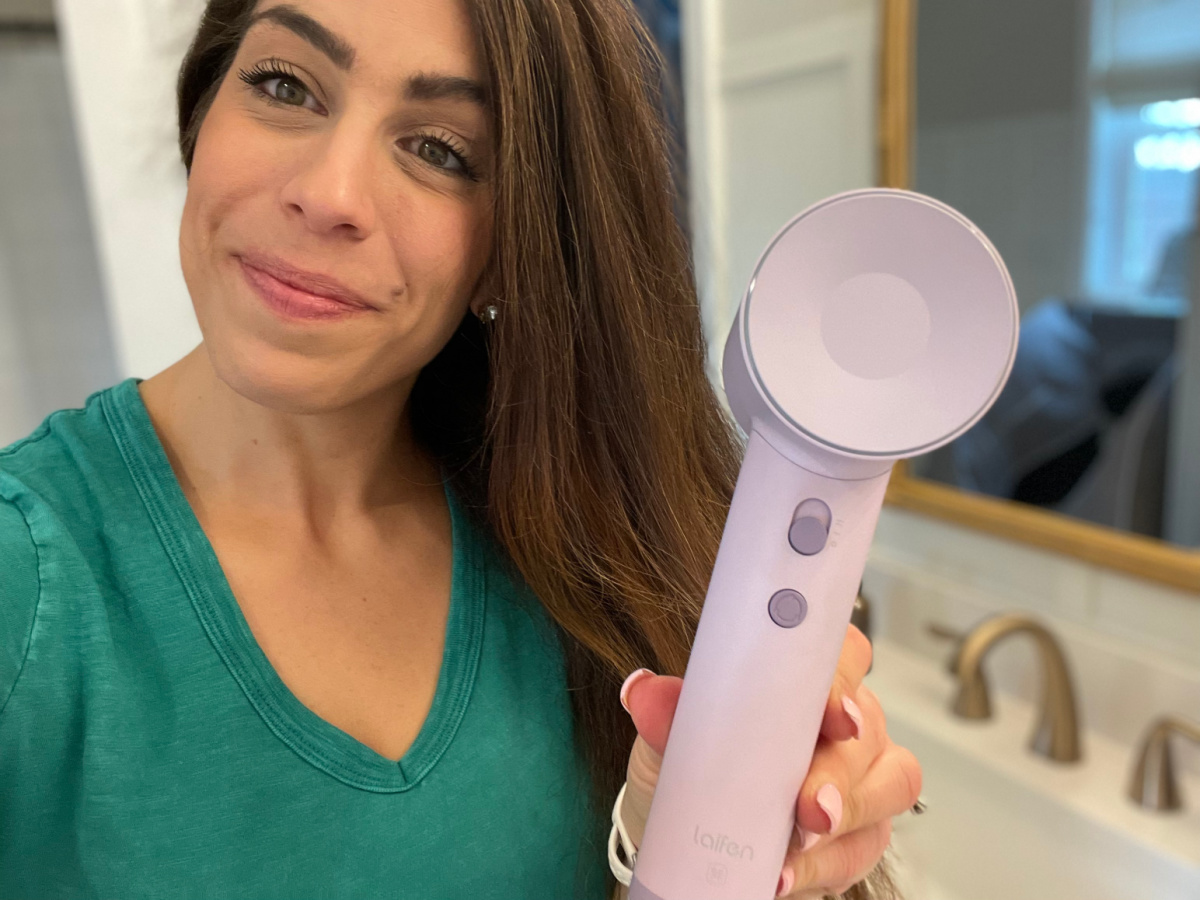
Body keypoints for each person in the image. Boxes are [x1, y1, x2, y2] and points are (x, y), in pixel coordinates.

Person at [0, 0, 922, 897]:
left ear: (509, 246)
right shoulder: (28, 584)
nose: (327, 195)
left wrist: (677, 851)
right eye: (285, 85)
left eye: (439, 151)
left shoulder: (590, 555)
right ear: (203, 110)